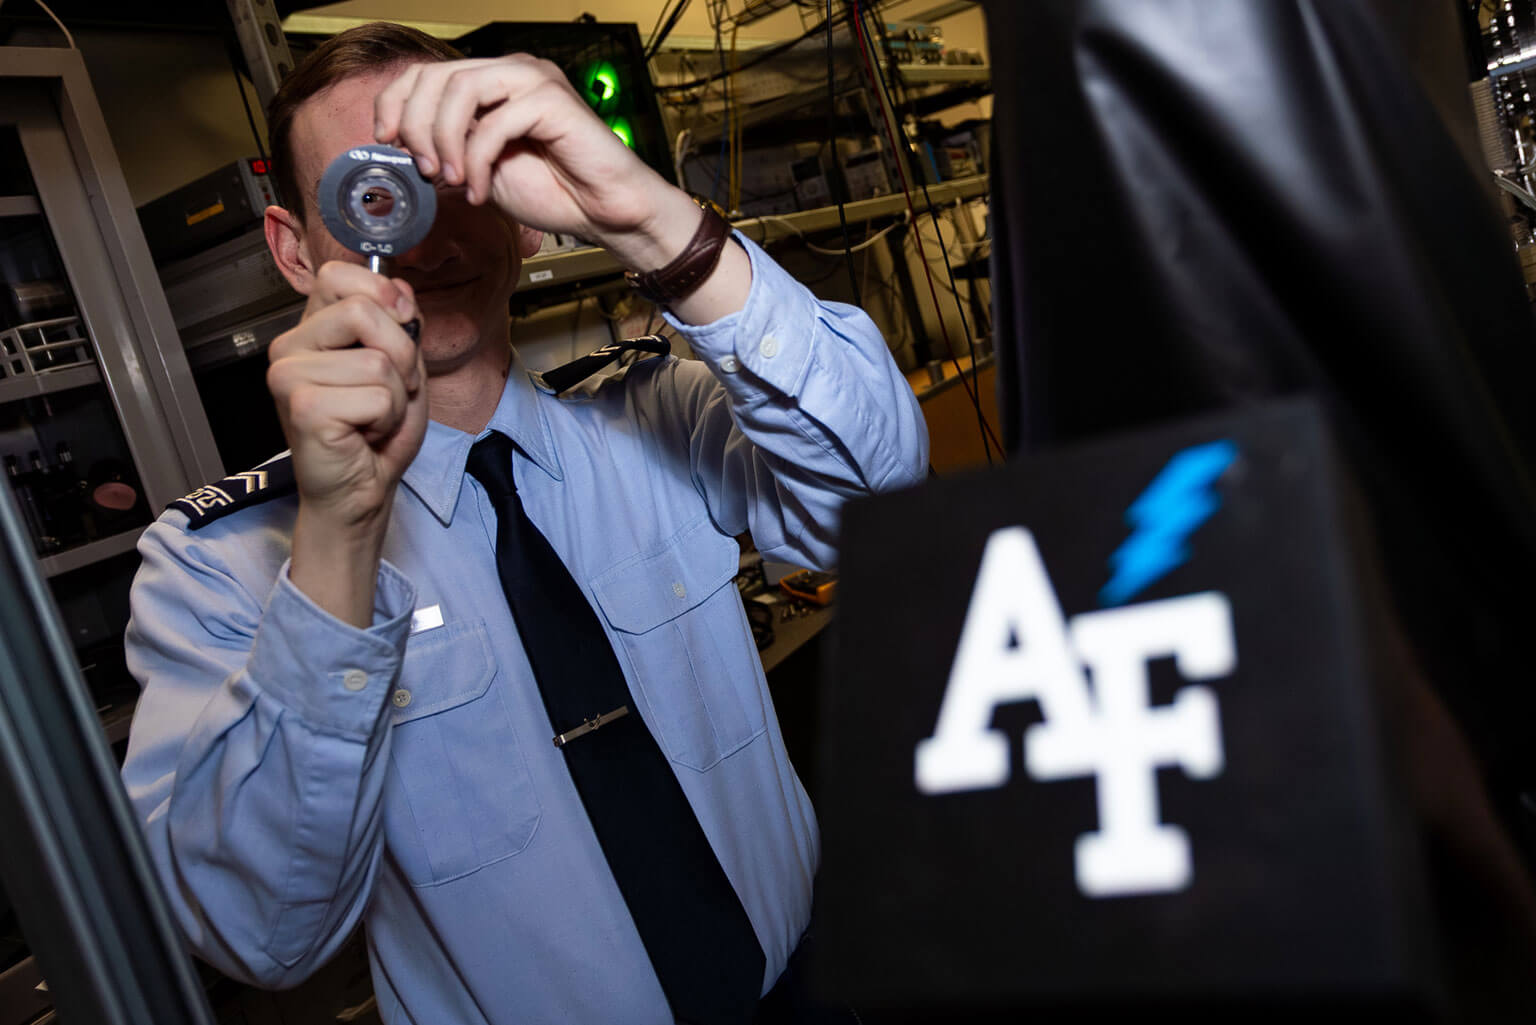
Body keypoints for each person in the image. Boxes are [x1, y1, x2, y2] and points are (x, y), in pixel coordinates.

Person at [120, 21, 926, 1025]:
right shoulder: (217, 568)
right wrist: (339, 531)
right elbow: (258, 932)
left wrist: (649, 219)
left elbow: (882, 495)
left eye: (458, 178)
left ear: (526, 216)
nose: (424, 232)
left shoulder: (657, 417)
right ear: (294, 246)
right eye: (375, 191)